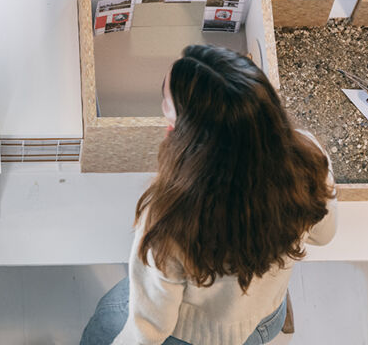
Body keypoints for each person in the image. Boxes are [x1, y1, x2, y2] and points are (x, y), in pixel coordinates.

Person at [81, 45, 336, 345]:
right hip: (265, 318)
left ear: (192, 134)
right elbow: (324, 235)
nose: (164, 103)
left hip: (193, 335)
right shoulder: (308, 160)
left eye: (168, 102)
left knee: (108, 317)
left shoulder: (171, 217)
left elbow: (148, 329)